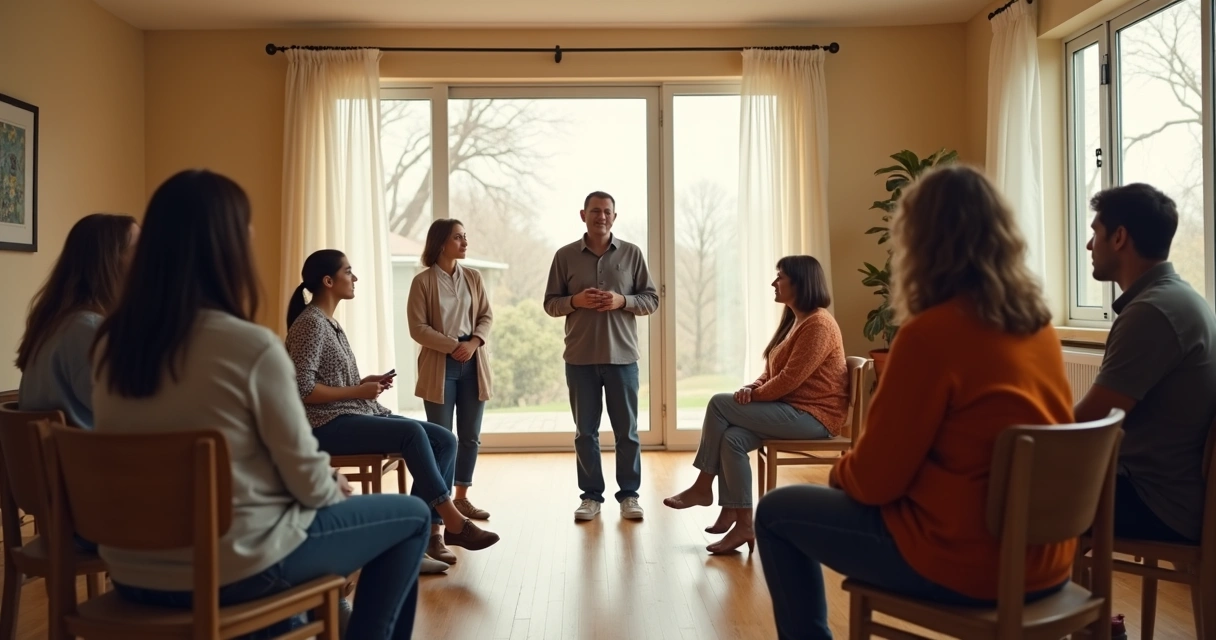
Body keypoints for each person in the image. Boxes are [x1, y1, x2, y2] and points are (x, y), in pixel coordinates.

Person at [91, 169, 429, 640]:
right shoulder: (249, 347)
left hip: (134, 572)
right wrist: (330, 482)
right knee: (412, 516)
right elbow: (307, 480)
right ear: (228, 248)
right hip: (234, 571)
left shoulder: (110, 345)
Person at [754, 165, 1075, 639]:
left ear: (919, 244)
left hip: (967, 562)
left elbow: (873, 481)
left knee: (775, 512)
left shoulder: (929, 336)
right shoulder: (1039, 329)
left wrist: (840, 474)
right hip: (1047, 561)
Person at [285, 249, 500, 569]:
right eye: (348, 272)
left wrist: (363, 383)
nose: (355, 278)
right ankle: (450, 524)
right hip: (325, 424)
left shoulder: (329, 323)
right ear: (328, 281)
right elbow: (303, 390)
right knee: (412, 432)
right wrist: (358, 390)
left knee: (445, 440)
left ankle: (423, 538)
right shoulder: (311, 325)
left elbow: (328, 381)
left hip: (353, 413)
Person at [663, 255, 847, 554]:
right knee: (732, 439)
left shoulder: (819, 325)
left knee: (718, 404)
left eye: (780, 277)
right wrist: (752, 387)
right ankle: (743, 523)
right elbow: (773, 371)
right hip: (791, 409)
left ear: (800, 282)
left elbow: (789, 379)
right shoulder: (796, 320)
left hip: (814, 416)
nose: (774, 283)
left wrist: (755, 396)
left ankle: (703, 486)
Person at [1074, 183, 1216, 544]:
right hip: (1170, 493)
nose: (1089, 245)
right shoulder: (1180, 299)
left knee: (1005, 490)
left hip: (1154, 501)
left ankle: (1024, 582)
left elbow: (1090, 423)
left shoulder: (1151, 313)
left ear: (1119, 237)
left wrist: (1020, 430)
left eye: (1095, 232)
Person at [544, 191, 659, 522]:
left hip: (623, 359)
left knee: (628, 433)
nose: (602, 217)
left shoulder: (632, 253)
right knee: (585, 433)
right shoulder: (565, 256)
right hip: (579, 359)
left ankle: (629, 496)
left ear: (614, 217)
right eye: (595, 211)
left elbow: (651, 300)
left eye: (607, 211)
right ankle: (591, 497)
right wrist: (575, 301)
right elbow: (550, 304)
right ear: (583, 215)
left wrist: (622, 301)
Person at [16, 213, 139, 429]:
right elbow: (134, 410)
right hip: (90, 451)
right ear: (110, 261)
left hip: (58, 451)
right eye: (139, 248)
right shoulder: (87, 331)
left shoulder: (57, 325)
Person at [408, 219, 493, 520]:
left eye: (465, 236)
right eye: (458, 237)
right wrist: (452, 345)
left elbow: (486, 316)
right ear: (441, 243)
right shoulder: (422, 282)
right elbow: (418, 328)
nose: (465, 242)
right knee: (442, 440)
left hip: (473, 363)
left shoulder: (473, 277)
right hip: (439, 366)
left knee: (470, 436)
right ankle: (439, 505)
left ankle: (462, 499)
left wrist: (473, 344)